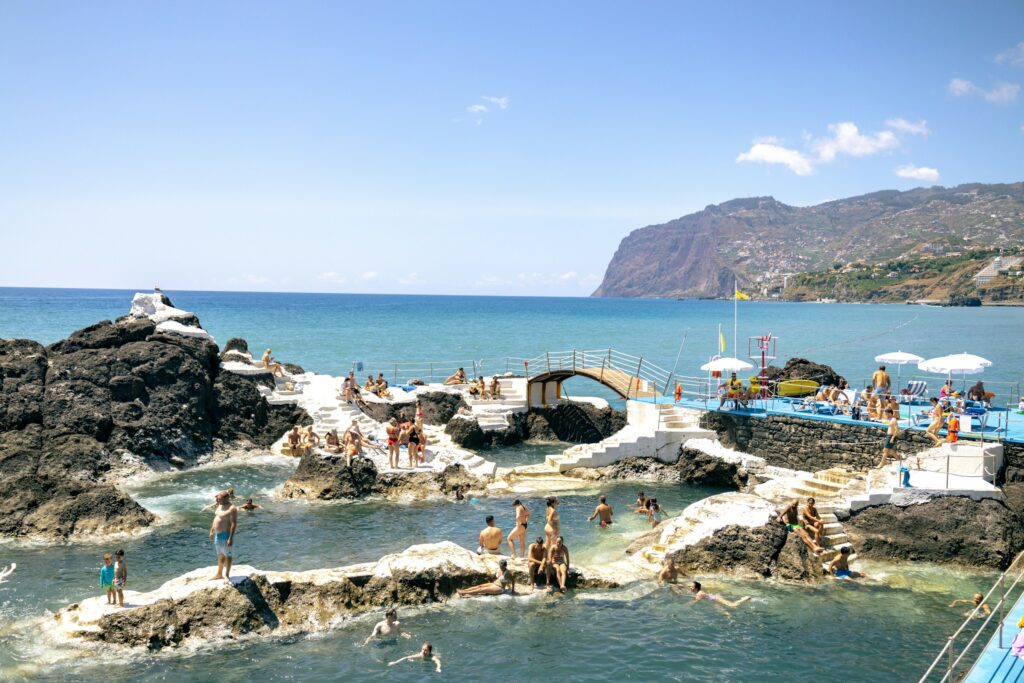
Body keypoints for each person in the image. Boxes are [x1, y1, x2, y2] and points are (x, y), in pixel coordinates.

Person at [209, 490, 238, 582]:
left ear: (226, 498)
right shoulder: (219, 505)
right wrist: (211, 531)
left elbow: (234, 524)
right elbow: (216, 518)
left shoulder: (232, 508)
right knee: (220, 555)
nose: (217, 499)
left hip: (226, 535)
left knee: (228, 555)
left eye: (219, 498)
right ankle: (219, 574)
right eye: (217, 498)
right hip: (217, 535)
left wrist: (230, 538)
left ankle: (227, 575)